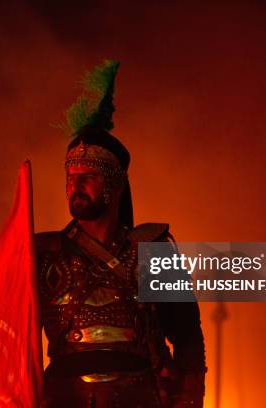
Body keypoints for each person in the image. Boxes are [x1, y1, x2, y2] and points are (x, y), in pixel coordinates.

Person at [35, 60, 206, 407]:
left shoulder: (153, 251)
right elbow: (12, 337)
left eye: (89, 176)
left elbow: (187, 339)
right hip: (65, 398)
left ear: (114, 185)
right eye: (71, 177)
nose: (76, 185)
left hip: (141, 397)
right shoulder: (44, 254)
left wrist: (189, 397)